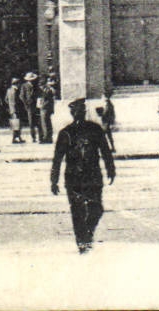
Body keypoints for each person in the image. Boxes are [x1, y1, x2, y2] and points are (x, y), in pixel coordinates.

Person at [51, 98, 115, 254]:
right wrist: (54, 180)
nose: (79, 114)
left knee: (97, 208)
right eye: (76, 111)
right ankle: (82, 240)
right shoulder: (65, 133)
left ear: (84, 112)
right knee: (77, 210)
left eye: (81, 111)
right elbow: (58, 158)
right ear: (72, 113)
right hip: (73, 178)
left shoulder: (95, 129)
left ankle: (87, 233)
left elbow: (105, 151)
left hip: (93, 175)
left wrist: (111, 169)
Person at [38, 74, 57, 144]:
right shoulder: (46, 89)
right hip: (44, 107)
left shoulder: (49, 89)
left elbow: (48, 99)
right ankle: (47, 137)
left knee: (45, 123)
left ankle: (46, 137)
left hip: (45, 107)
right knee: (45, 122)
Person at [19, 73, 38, 143]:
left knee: (38, 121)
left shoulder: (35, 85)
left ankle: (40, 136)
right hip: (29, 106)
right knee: (31, 122)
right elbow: (21, 96)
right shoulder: (24, 86)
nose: (32, 81)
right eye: (31, 80)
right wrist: (26, 103)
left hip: (36, 105)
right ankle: (33, 137)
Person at [6, 76, 25, 144]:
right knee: (17, 124)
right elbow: (17, 101)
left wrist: (9, 106)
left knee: (15, 124)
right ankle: (15, 138)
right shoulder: (16, 91)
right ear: (17, 84)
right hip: (17, 109)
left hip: (12, 109)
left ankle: (17, 138)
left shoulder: (8, 90)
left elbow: (6, 100)